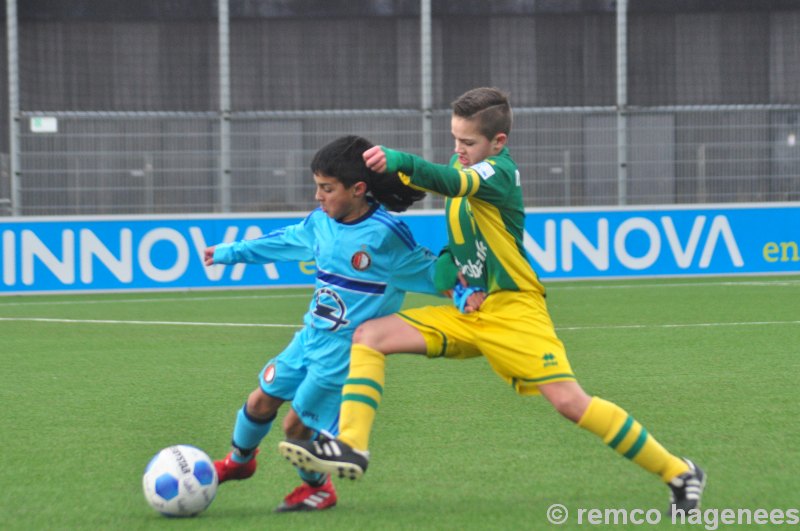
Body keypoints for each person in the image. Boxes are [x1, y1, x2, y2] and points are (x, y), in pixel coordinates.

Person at [279, 87, 706, 514]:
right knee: (370, 334)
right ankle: (352, 446)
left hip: (516, 311)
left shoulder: (497, 173)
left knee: (570, 403)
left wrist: (403, 162)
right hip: (472, 312)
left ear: (497, 142)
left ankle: (679, 471)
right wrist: (452, 271)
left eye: (468, 143)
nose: (458, 151)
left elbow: (455, 182)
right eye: (455, 140)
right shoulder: (460, 165)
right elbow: (459, 242)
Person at [205, 135, 441, 512]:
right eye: (317, 186)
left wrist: (472, 292)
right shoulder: (320, 223)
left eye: (327, 188)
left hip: (343, 355)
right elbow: (282, 242)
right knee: (260, 399)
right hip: (309, 338)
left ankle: (319, 488)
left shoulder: (385, 236)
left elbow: (433, 274)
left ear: (358, 189)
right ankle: (239, 462)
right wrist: (229, 253)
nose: (318, 196)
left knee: (295, 429)